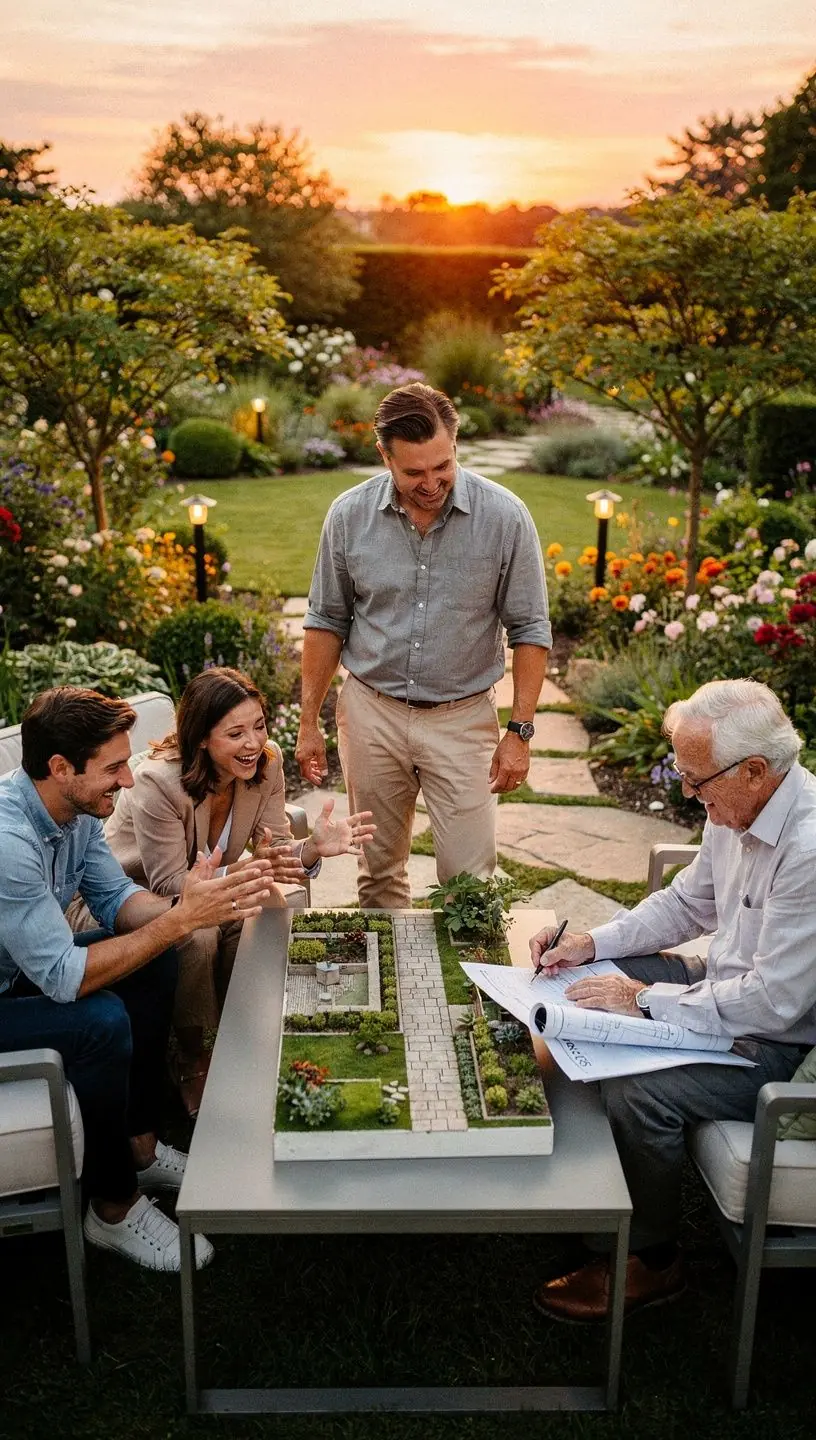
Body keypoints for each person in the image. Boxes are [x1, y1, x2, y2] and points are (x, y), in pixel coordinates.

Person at [527, 679, 816, 1320]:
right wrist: (592, 944)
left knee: (642, 1092)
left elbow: (774, 1005)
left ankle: (654, 1260)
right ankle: (576, 1183)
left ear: (756, 770)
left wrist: (646, 1000)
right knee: (582, 979)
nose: (687, 793)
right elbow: (689, 902)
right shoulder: (738, 806)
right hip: (722, 990)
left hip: (777, 1046)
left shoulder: (808, 850)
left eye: (696, 780)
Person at [0, 687, 276, 1271]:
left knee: (159, 958)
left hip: (24, 972)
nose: (127, 780)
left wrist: (191, 909)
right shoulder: (9, 841)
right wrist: (179, 920)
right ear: (60, 768)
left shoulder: (72, 812)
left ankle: (142, 1149)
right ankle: (113, 1207)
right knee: (100, 1021)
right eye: (114, 767)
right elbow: (65, 979)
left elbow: (117, 898)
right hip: (19, 989)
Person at [296, 381, 551, 908]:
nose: (431, 483)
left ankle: (471, 989)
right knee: (378, 874)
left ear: (455, 446)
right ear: (383, 456)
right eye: (414, 472)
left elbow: (530, 629)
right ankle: (396, 986)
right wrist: (307, 723)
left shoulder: (504, 518)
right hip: (372, 713)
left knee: (471, 885)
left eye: (443, 466)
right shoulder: (348, 517)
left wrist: (520, 731)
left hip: (462, 721)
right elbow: (326, 620)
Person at [106, 667, 375, 1115]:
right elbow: (172, 885)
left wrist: (311, 849)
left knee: (267, 902)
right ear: (202, 739)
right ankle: (195, 1057)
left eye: (259, 726)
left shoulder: (264, 765)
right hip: (135, 896)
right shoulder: (158, 783)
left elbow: (276, 850)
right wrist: (250, 869)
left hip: (207, 887)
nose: (253, 742)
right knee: (199, 934)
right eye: (235, 733)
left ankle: (255, 1035)